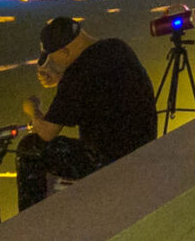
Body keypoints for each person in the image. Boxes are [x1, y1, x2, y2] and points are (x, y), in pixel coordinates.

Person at [16, 16, 156, 210]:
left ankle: (31, 223)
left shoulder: (77, 75)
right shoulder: (117, 48)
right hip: (144, 149)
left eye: (53, 58)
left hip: (110, 162)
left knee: (30, 148)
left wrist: (33, 109)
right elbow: (95, 85)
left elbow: (47, 132)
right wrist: (60, 79)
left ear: (65, 51)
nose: (53, 63)